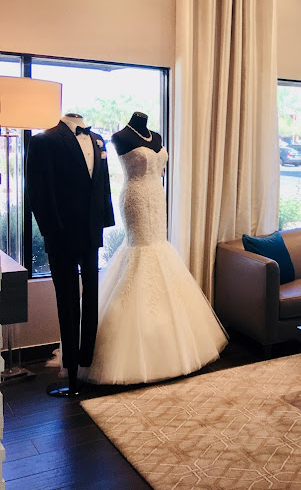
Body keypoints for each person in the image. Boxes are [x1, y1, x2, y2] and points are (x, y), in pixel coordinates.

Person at [79, 112, 227, 385]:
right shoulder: (120, 137)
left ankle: (178, 347)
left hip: (157, 198)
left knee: (160, 249)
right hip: (135, 198)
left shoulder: (156, 136)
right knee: (141, 250)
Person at [27, 113, 115, 396]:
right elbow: (38, 192)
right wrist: (52, 232)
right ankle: (71, 371)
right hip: (62, 236)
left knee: (91, 301)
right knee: (67, 304)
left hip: (91, 234)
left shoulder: (97, 139)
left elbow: (103, 185)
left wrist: (105, 220)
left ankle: (85, 364)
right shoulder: (44, 141)